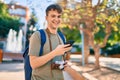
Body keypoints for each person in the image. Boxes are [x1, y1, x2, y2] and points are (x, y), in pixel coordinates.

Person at [28, 4, 85, 80]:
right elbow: (33, 64)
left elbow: (61, 61)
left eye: (59, 16)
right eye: (53, 16)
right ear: (46, 18)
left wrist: (65, 64)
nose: (56, 19)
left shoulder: (62, 37)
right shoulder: (38, 35)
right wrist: (55, 52)